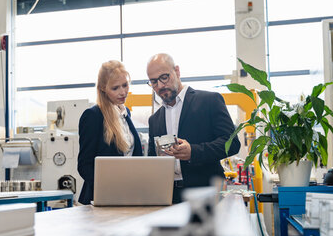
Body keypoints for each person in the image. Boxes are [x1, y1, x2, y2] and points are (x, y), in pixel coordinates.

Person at [147, 53, 241, 203]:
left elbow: (232, 143)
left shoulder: (209, 101)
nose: (160, 86)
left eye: (164, 77)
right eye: (153, 82)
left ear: (177, 71)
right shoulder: (154, 120)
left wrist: (194, 152)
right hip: (169, 197)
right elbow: (152, 160)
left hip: (207, 194)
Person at [77, 60, 143, 205]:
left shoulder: (126, 114)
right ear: (103, 89)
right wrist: (108, 188)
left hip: (128, 195)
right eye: (115, 88)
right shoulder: (93, 116)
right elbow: (84, 165)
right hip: (101, 199)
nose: (123, 92)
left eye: (125, 85)